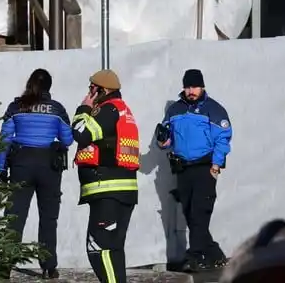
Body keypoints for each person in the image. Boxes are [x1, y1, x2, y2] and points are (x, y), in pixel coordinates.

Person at [0, 68, 73, 279]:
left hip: (21, 164)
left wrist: (1, 168)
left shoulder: (16, 107)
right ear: (49, 86)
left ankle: (5, 265)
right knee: (48, 217)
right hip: (49, 165)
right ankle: (49, 267)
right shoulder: (57, 109)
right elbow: (67, 139)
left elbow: (4, 138)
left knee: (14, 216)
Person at [156, 68, 232, 271]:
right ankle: (215, 254)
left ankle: (194, 256)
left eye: (195, 87)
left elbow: (222, 139)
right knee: (191, 215)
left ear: (202, 87)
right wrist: (163, 141)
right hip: (182, 169)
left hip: (205, 167)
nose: (191, 91)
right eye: (188, 86)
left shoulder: (213, 109)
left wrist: (216, 165)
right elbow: (168, 139)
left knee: (200, 213)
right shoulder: (175, 110)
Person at [71, 70, 139, 283]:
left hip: (108, 190)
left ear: (104, 90)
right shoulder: (122, 110)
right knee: (113, 249)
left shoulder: (107, 110)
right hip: (121, 190)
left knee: (99, 249)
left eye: (92, 88)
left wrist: (84, 108)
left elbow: (81, 133)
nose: (89, 93)